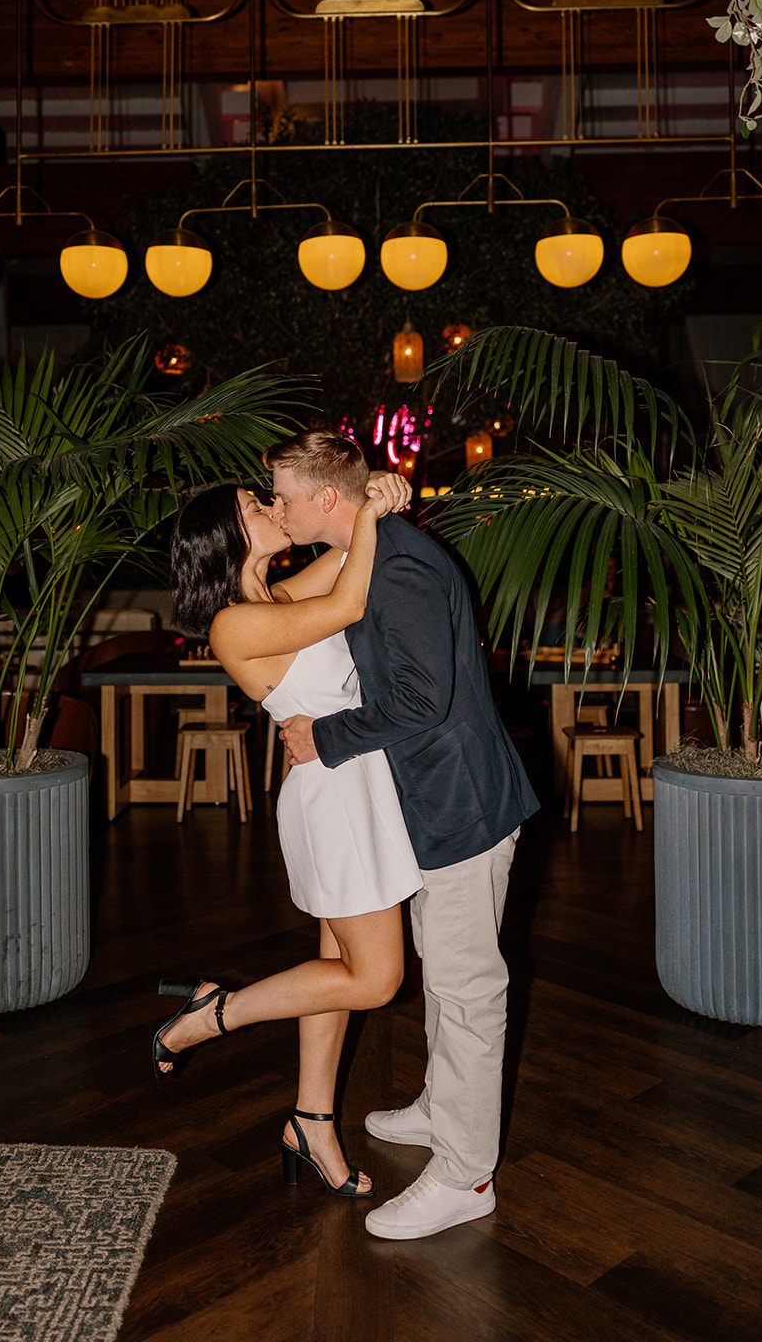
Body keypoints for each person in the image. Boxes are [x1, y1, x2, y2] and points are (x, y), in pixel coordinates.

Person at [267, 429, 541, 1241]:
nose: (277, 508)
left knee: (465, 988)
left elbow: (423, 701)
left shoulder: (402, 564)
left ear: (325, 499)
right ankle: (441, 1108)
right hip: (428, 802)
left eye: (282, 494)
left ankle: (465, 1175)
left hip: (458, 805)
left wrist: (326, 737)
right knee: (445, 968)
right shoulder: (374, 550)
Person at [155, 471, 420, 1200]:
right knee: (376, 978)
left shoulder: (276, 597)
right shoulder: (234, 624)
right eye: (254, 507)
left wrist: (376, 498)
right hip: (333, 803)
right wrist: (365, 518)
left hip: (354, 787)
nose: (273, 509)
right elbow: (350, 599)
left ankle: (311, 1121)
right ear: (227, 535)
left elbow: (344, 549)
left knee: (335, 971)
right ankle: (218, 1012)